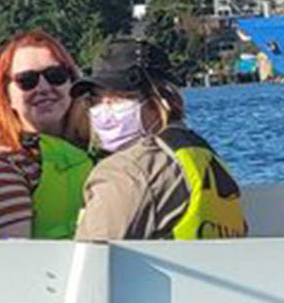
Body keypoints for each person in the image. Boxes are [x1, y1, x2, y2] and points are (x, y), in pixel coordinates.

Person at [72, 38, 247, 241]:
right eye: (96, 99)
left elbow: (92, 261)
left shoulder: (126, 171)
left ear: (160, 100)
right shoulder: (203, 155)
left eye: (121, 97)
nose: (105, 110)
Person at [0, 32, 95, 239]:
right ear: (7, 96)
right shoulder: (0, 167)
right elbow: (12, 264)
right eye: (27, 81)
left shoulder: (95, 151)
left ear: (73, 83)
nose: (43, 88)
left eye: (55, 76)